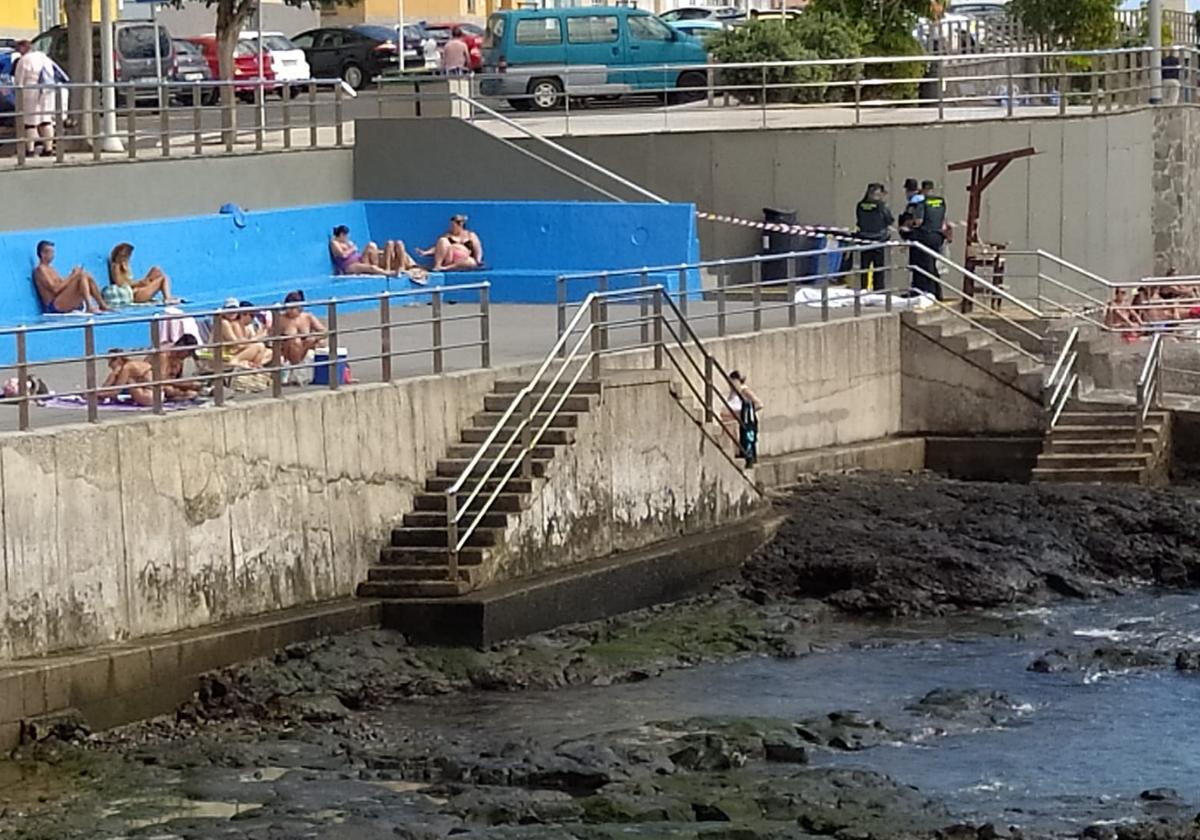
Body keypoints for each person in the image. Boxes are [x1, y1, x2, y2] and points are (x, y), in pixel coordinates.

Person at [12, 39, 68, 157]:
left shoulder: (24, 60)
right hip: (48, 90)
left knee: (30, 122)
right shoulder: (44, 58)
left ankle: (30, 150)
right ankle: (48, 148)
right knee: (45, 120)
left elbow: (19, 80)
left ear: (22, 49)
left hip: (30, 91)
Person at [904, 179, 952, 299]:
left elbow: (918, 221)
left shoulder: (922, 203)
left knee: (924, 266)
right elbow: (943, 220)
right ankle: (937, 292)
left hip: (924, 237)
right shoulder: (941, 201)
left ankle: (926, 292)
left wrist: (909, 225)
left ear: (924, 189)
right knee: (933, 265)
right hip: (938, 237)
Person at [32, 240, 108, 314]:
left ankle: (102, 305)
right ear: (42, 254)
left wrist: (73, 276)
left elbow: (62, 285)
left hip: (62, 300)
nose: (53, 255)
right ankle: (89, 306)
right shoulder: (40, 270)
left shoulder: (51, 268)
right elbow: (55, 289)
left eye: (53, 252)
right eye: (50, 252)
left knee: (86, 275)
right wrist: (73, 276)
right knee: (80, 276)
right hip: (54, 306)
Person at [328, 224, 421, 277]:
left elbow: (356, 250)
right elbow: (343, 255)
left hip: (358, 259)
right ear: (341, 235)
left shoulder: (347, 242)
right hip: (348, 266)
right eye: (346, 235)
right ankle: (388, 273)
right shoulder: (335, 243)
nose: (348, 237)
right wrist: (352, 249)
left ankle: (378, 266)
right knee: (371, 268)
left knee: (371, 245)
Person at [108, 243, 179, 304]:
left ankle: (165, 293)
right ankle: (167, 298)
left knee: (156, 269)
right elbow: (120, 284)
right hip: (133, 294)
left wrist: (142, 282)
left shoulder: (124, 265)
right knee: (164, 278)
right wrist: (138, 283)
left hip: (136, 289)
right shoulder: (116, 266)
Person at [274, 290, 327, 368]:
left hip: (305, 347)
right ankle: (296, 364)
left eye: (292, 308)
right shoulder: (281, 319)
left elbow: (324, 331)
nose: (289, 311)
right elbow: (273, 336)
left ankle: (298, 363)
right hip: (288, 350)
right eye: (288, 308)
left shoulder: (308, 317)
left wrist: (315, 337)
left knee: (313, 341)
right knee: (295, 341)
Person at [721, 370, 764, 467]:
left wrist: (743, 413)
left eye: (732, 382)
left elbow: (759, 404)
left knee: (744, 442)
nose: (730, 385)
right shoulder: (732, 393)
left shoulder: (744, 391)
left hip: (740, 422)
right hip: (729, 422)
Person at [854, 183, 893, 290]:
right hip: (879, 239)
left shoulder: (860, 205)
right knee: (879, 269)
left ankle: (863, 290)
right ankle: (879, 291)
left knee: (864, 268)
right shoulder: (881, 206)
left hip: (864, 239)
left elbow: (859, 221)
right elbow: (889, 220)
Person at [215, 298, 272, 368]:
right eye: (229, 309)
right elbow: (236, 344)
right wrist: (256, 338)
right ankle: (248, 365)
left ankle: (251, 365)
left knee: (269, 352)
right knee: (260, 346)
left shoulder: (235, 324)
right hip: (224, 355)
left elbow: (241, 343)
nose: (232, 312)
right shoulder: (224, 323)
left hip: (231, 352)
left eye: (234, 309)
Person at [419, 214, 483, 271]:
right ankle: (438, 265)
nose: (451, 228)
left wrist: (478, 260)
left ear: (460, 225)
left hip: (464, 260)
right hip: (450, 258)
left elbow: (478, 249)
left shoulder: (471, 235)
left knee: (472, 262)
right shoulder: (448, 236)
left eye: (453, 226)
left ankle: (446, 268)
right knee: (442, 240)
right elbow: (438, 248)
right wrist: (426, 253)